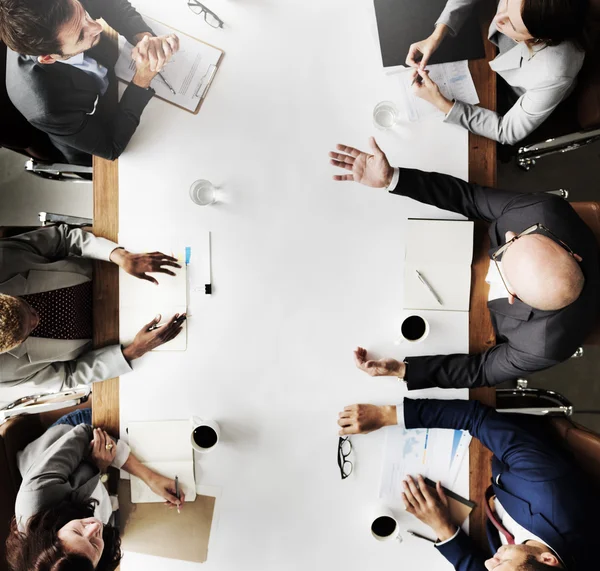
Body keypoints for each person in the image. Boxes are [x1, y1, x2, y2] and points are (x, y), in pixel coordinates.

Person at [329, 138, 600, 389]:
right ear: (568, 251)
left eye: (506, 249)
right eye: (520, 239)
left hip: (472, 320)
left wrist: (403, 370)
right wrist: (392, 178)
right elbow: (470, 197)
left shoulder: (543, 345)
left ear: (513, 294)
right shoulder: (543, 212)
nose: (509, 234)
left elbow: (481, 370)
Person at [337, 398, 598, 570]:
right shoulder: (545, 484)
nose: (488, 564)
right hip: (523, 453)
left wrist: (443, 528)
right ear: (548, 560)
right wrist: (388, 415)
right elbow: (476, 418)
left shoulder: (525, 567)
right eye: (501, 561)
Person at [0, 224, 185, 405]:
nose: (36, 319)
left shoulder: (4, 258)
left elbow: (63, 240)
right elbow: (69, 376)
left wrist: (119, 255)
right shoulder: (4, 373)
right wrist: (133, 351)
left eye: (27, 307)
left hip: (108, 269)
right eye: (29, 330)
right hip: (113, 340)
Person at [0, 0, 180, 166]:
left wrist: (142, 37)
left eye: (85, 14)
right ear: (48, 58)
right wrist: (142, 79)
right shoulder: (47, 108)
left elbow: (110, 4)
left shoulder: (64, 6)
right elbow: (111, 146)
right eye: (80, 35)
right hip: (88, 130)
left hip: (112, 68)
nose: (97, 27)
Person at [6, 408, 184, 571]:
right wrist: (101, 468)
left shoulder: (38, 492)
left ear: (52, 536)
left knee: (145, 414)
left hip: (71, 433)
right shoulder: (86, 561)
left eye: (76, 532)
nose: (94, 527)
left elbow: (85, 435)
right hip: (100, 474)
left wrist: (150, 478)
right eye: (94, 545)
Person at [406, 0, 588, 145]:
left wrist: (440, 102)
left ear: (538, 37)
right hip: (495, 52)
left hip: (517, 93)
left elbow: (507, 131)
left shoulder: (555, 71)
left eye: (513, 25)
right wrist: (438, 34)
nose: (498, 17)